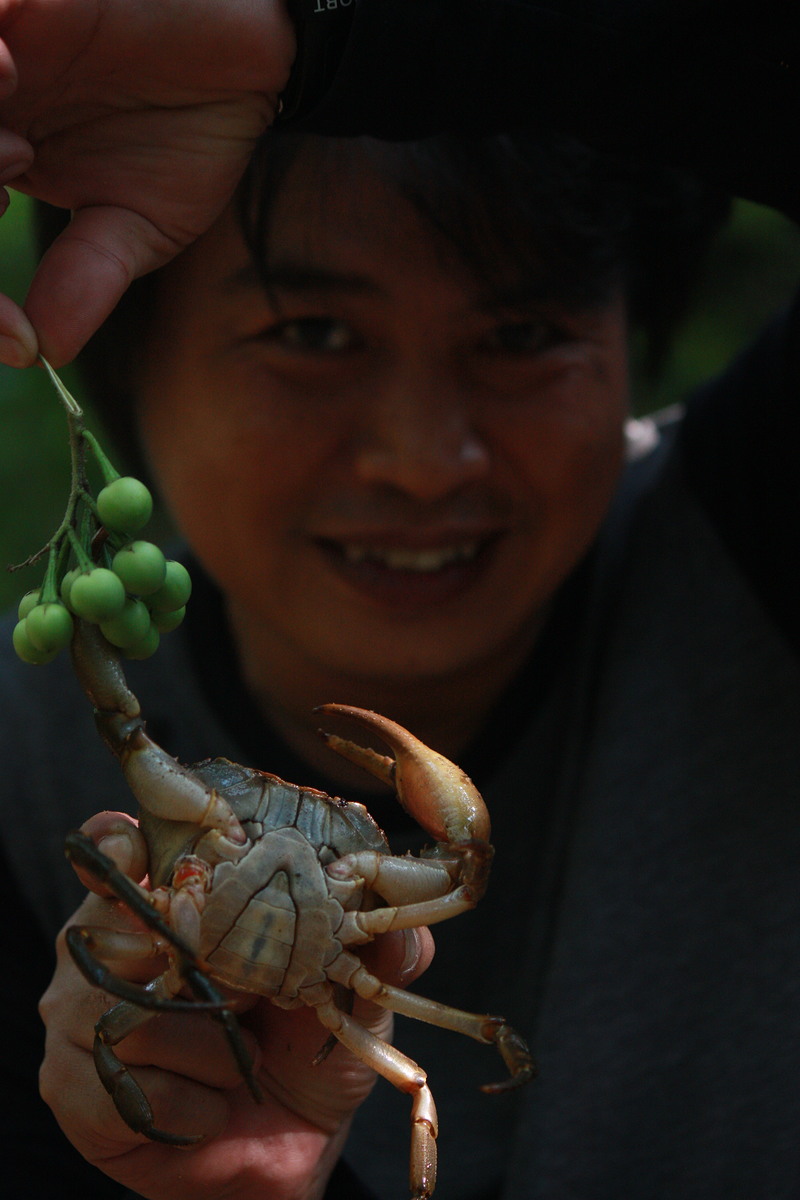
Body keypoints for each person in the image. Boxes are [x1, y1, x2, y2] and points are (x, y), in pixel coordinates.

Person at [0, 2, 798, 1199]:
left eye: (520, 331)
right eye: (312, 332)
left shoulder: (765, 535)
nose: (424, 458)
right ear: (127, 350)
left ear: (636, 329)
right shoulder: (14, 776)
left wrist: (311, 31)